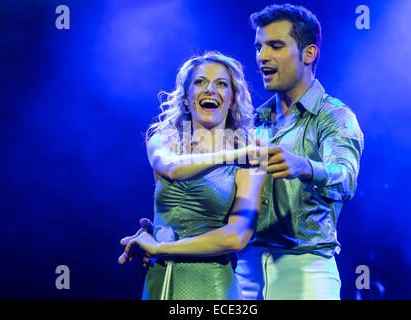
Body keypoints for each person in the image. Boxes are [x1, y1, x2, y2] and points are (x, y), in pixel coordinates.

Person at [233, 3, 364, 300]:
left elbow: (345, 177)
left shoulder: (334, 116)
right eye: (259, 47)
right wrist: (175, 227)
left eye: (275, 46)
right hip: (247, 266)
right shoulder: (255, 120)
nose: (262, 57)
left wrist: (305, 166)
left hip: (306, 267)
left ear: (308, 53)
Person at [118, 52, 265, 300]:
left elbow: (237, 235)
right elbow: (174, 169)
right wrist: (159, 233)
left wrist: (162, 247)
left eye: (221, 84)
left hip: (213, 287)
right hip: (159, 282)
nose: (210, 89)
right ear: (186, 98)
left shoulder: (253, 153)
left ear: (231, 100)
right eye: (200, 82)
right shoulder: (164, 140)